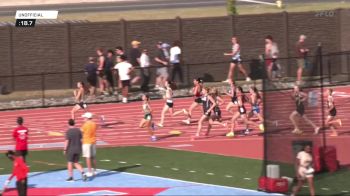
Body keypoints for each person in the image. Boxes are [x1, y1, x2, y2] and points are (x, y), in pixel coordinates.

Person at [81, 112, 97, 177]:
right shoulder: (94, 124)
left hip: (87, 142)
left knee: (88, 157)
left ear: (87, 118)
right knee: (93, 157)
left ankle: (90, 171)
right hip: (93, 141)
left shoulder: (85, 125)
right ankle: (95, 170)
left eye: (84, 117)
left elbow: (81, 131)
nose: (83, 118)